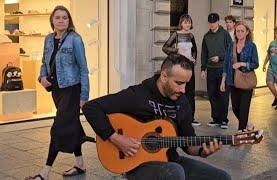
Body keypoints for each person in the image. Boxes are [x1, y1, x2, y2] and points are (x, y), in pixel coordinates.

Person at [82, 54, 231, 180]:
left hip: (169, 160)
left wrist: (202, 151)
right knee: (175, 172)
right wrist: (116, 138)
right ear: (164, 76)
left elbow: (188, 143)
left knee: (222, 177)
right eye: (179, 83)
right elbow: (91, 107)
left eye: (186, 83)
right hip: (136, 164)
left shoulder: (182, 103)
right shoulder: (138, 95)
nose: (183, 89)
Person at [25, 5, 90, 180]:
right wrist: (41, 77)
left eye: (65, 17)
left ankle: (44, 173)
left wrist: (84, 96)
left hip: (72, 89)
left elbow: (84, 69)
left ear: (69, 21)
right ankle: (80, 164)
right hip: (57, 90)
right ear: (52, 20)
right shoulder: (48, 39)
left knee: (58, 128)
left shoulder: (75, 39)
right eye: (58, 17)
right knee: (73, 124)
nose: (61, 20)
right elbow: (44, 62)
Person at [220, 21, 259, 131]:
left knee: (244, 108)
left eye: (242, 31)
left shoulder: (251, 46)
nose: (240, 33)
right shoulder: (231, 46)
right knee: (235, 108)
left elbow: (255, 64)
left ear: (247, 32)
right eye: (238, 31)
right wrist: (223, 80)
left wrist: (242, 64)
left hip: (246, 81)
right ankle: (246, 124)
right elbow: (226, 64)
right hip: (233, 81)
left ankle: (241, 132)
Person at [162, 14, 199, 126]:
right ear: (181, 23)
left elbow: (195, 50)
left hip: (189, 67)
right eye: (185, 22)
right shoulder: (176, 35)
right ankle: (177, 115)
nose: (187, 24)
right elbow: (165, 47)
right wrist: (177, 50)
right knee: (178, 90)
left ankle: (191, 117)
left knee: (190, 92)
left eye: (189, 22)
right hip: (179, 66)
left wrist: (193, 59)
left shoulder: (191, 35)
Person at [201, 13, 232, 129]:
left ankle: (224, 120)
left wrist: (220, 57)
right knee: (212, 94)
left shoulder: (225, 34)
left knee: (223, 95)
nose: (212, 24)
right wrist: (203, 69)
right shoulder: (206, 36)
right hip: (211, 69)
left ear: (218, 22)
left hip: (223, 69)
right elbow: (204, 54)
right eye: (210, 22)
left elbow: (230, 51)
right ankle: (215, 118)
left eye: (214, 22)